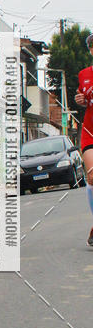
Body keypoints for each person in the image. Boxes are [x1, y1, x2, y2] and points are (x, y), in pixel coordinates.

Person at [74, 33, 93, 247]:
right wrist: (79, 99)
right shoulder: (84, 74)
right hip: (90, 129)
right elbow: (82, 97)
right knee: (92, 175)